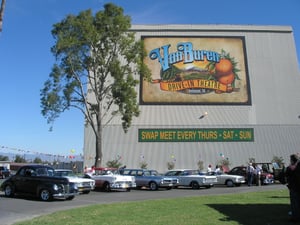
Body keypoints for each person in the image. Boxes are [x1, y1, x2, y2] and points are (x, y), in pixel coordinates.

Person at [285, 154, 300, 222]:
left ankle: (295, 217)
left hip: (294, 187)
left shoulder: (292, 168)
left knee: (294, 203)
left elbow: (285, 175)